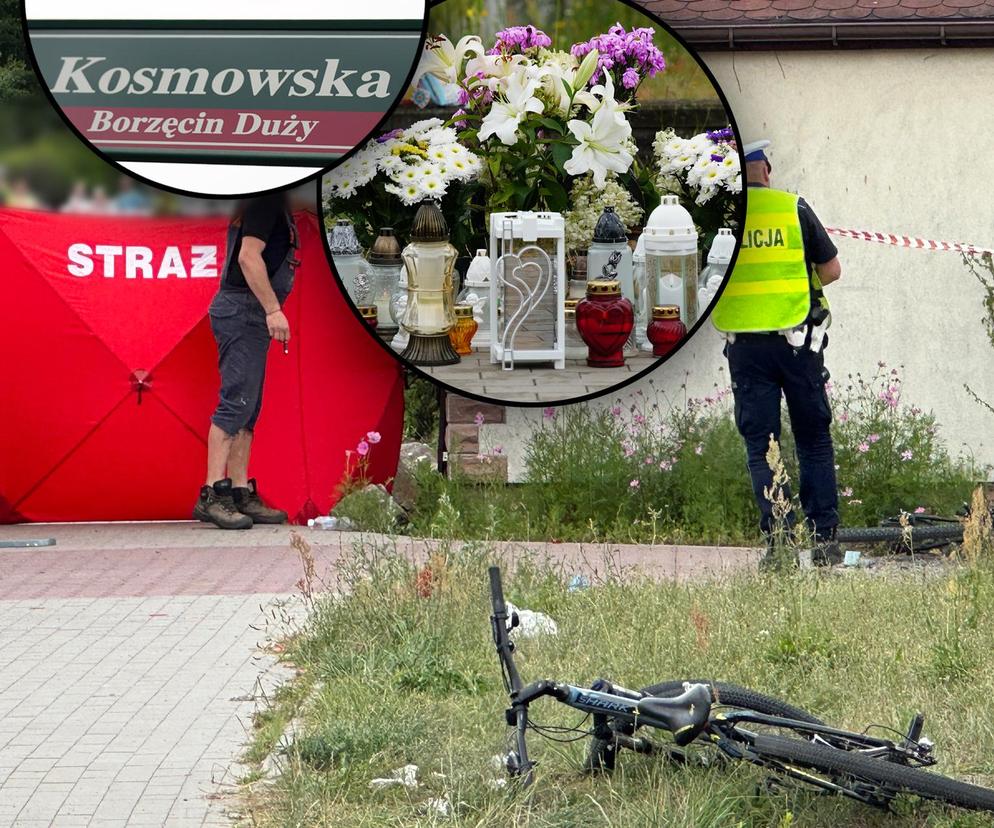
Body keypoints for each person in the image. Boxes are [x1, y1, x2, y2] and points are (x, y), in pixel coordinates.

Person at [711, 139, 843, 568]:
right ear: (765, 169)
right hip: (797, 342)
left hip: (745, 349)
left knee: (761, 446)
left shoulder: (722, 217)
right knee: (813, 440)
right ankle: (824, 542)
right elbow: (831, 270)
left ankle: (780, 545)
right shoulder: (793, 207)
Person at [193, 192, 299, 529]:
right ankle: (211, 494)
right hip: (243, 310)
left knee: (248, 407)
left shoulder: (272, 205)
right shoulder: (265, 202)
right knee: (235, 402)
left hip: (245, 311)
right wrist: (274, 310)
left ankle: (240, 493)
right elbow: (248, 258)